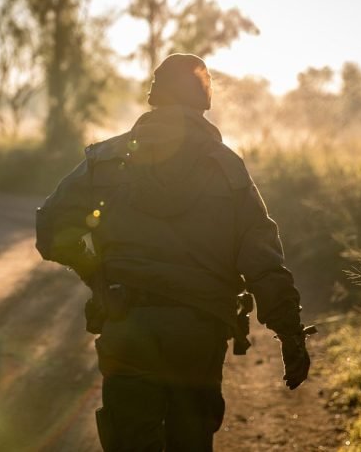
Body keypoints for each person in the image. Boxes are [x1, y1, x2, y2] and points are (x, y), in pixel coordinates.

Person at [35, 53, 311, 451]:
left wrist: (96, 274)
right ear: (204, 100)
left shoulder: (107, 160)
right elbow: (263, 262)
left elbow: (50, 228)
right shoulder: (228, 169)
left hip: (126, 325)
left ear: (154, 96)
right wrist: (290, 336)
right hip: (199, 334)